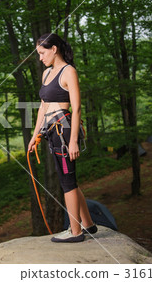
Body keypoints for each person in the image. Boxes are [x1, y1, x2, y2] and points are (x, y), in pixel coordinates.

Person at [28, 33, 97, 243]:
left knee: (67, 182)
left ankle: (75, 232)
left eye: (42, 53)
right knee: (69, 181)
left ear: (54, 49)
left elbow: (76, 108)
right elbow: (43, 106)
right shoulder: (47, 74)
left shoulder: (69, 72)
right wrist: (35, 134)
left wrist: (74, 140)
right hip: (51, 133)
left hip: (65, 132)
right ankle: (88, 224)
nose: (40, 58)